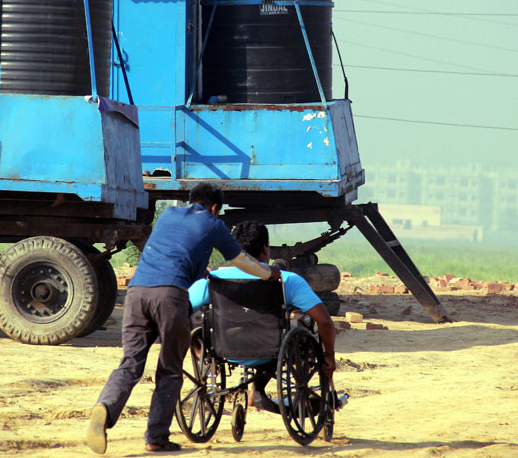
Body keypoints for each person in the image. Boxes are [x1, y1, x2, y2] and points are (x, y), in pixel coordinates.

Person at [86, 183, 280, 454]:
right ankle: (156, 437)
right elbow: (242, 262)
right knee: (169, 369)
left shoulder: (167, 216)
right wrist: (270, 273)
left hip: (136, 293)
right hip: (171, 295)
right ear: (214, 207)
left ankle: (104, 408)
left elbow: (176, 250)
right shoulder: (213, 224)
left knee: (130, 364)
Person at [188, 220, 337, 414]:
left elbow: (177, 314)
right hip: (272, 351)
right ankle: (261, 391)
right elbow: (325, 321)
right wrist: (329, 356)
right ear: (265, 249)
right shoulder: (286, 280)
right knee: (301, 333)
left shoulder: (212, 281)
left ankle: (257, 393)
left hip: (224, 349)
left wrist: (198, 349)